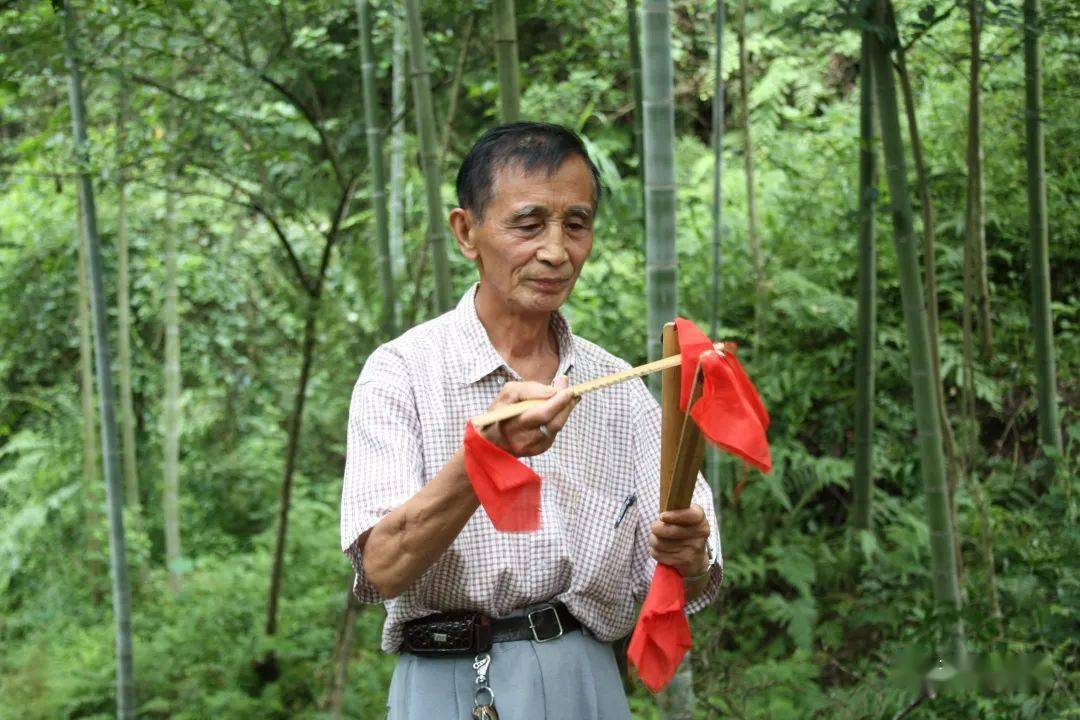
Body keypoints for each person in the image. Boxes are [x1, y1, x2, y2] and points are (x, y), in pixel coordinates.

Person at [340, 122, 722, 719]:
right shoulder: (402, 373)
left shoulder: (616, 386)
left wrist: (691, 557)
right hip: (439, 682)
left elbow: (688, 578)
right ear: (466, 231)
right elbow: (384, 568)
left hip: (581, 677)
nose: (556, 250)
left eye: (576, 224)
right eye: (528, 223)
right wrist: (483, 458)